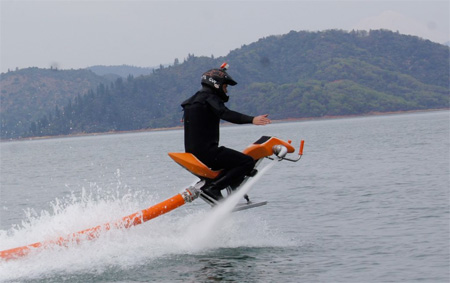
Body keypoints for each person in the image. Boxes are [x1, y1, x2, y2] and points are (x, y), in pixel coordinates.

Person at [181, 63, 271, 201]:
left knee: (233, 162)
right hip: (208, 154)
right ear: (216, 85)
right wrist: (252, 119)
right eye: (225, 86)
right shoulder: (209, 98)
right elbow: (225, 113)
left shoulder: (192, 102)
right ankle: (214, 188)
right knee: (246, 162)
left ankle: (231, 184)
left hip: (193, 153)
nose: (226, 91)